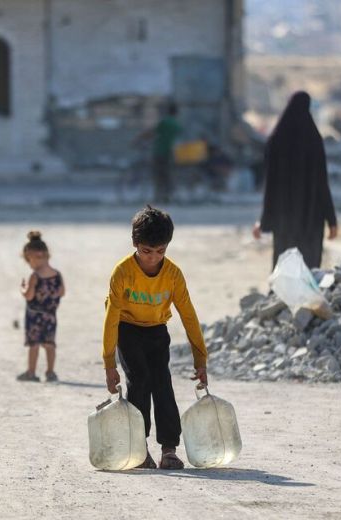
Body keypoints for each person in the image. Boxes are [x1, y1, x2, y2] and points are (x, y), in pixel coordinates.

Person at [102, 205, 208, 470]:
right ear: (135, 244)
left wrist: (201, 358)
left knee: (162, 382)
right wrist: (109, 364)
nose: (152, 258)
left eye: (160, 252)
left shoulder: (172, 274)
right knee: (139, 380)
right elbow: (111, 318)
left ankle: (169, 448)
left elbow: (189, 316)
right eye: (146, 252)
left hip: (157, 330)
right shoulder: (122, 272)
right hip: (127, 328)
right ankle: (140, 449)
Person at [253, 91, 338, 269]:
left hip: (283, 218)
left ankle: (281, 296)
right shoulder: (314, 141)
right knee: (310, 266)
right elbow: (322, 184)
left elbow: (271, 186)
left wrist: (263, 220)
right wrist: (332, 220)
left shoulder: (276, 140)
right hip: (311, 218)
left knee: (284, 264)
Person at [18, 231, 65, 383]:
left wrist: (23, 288)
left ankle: (31, 373)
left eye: (29, 261)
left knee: (34, 345)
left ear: (33, 257)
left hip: (35, 316)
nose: (30, 264)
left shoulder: (35, 276)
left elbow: (29, 296)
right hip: (51, 316)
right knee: (50, 344)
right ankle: (50, 372)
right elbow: (62, 292)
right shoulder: (57, 274)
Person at [135, 102, 181, 203]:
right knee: (167, 174)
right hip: (171, 153)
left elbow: (151, 132)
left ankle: (159, 196)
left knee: (157, 174)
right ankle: (168, 195)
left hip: (160, 151)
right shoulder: (177, 124)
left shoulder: (164, 122)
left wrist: (137, 140)